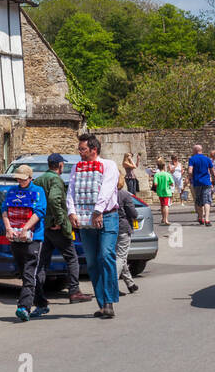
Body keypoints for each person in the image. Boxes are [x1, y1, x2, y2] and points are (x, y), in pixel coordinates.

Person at [67, 133, 121, 318]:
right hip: (85, 218)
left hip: (107, 216)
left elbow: (106, 189)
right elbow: (71, 191)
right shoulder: (77, 168)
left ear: (93, 149)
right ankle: (101, 303)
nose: (80, 152)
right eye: (79, 149)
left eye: (82, 149)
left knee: (105, 256)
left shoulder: (109, 165)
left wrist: (98, 211)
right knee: (91, 262)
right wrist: (71, 212)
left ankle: (109, 302)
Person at [32, 154, 90, 316]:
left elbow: (36, 200)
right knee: (71, 257)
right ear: (60, 165)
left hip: (43, 226)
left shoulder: (39, 180)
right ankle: (74, 291)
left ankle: (37, 294)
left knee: (43, 261)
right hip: (56, 227)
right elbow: (54, 199)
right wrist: (58, 220)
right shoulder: (55, 180)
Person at [3, 163, 47, 321]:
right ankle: (41, 303)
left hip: (33, 238)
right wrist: (8, 228)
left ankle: (24, 307)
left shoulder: (38, 191)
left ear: (30, 178)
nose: (20, 182)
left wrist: (25, 228)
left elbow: (39, 212)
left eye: (23, 179)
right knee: (25, 274)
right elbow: (5, 210)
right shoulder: (12, 191)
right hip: (15, 237)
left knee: (29, 273)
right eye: (18, 179)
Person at [115, 179, 140, 295]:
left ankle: (130, 284)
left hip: (111, 228)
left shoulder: (108, 193)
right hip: (123, 228)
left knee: (120, 257)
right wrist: (136, 215)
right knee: (121, 257)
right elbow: (133, 213)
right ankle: (112, 285)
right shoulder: (124, 194)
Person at [187, 145, 214, 226]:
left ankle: (200, 217)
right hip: (206, 182)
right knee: (207, 200)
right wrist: (214, 179)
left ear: (195, 150)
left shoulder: (192, 159)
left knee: (199, 200)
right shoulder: (207, 159)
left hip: (197, 183)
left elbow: (190, 171)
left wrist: (191, 178)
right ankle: (207, 219)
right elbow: (212, 171)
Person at [152, 159, 174, 226]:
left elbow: (155, 184)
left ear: (158, 167)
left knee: (162, 205)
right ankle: (166, 219)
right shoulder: (167, 174)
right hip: (167, 191)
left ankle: (163, 218)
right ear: (164, 166)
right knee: (166, 205)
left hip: (160, 191)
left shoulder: (157, 175)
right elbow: (172, 183)